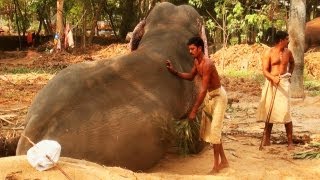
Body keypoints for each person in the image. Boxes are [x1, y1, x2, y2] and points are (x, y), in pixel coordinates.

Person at [166, 36, 229, 174]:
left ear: (200, 48)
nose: (190, 51)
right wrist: (174, 71)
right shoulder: (196, 61)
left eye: (192, 49)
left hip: (218, 97)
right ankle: (224, 161)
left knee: (214, 132)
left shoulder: (207, 64)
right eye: (189, 49)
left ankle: (216, 166)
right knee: (214, 132)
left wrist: (194, 110)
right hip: (210, 98)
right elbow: (190, 76)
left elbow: (203, 89)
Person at [257, 30, 295, 150]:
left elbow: (293, 63)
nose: (288, 41)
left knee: (286, 112)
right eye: (287, 39)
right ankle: (267, 139)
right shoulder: (269, 52)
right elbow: (264, 71)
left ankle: (290, 142)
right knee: (270, 111)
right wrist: (273, 78)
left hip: (283, 82)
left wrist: (289, 74)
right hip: (271, 83)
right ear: (281, 40)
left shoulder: (288, 52)